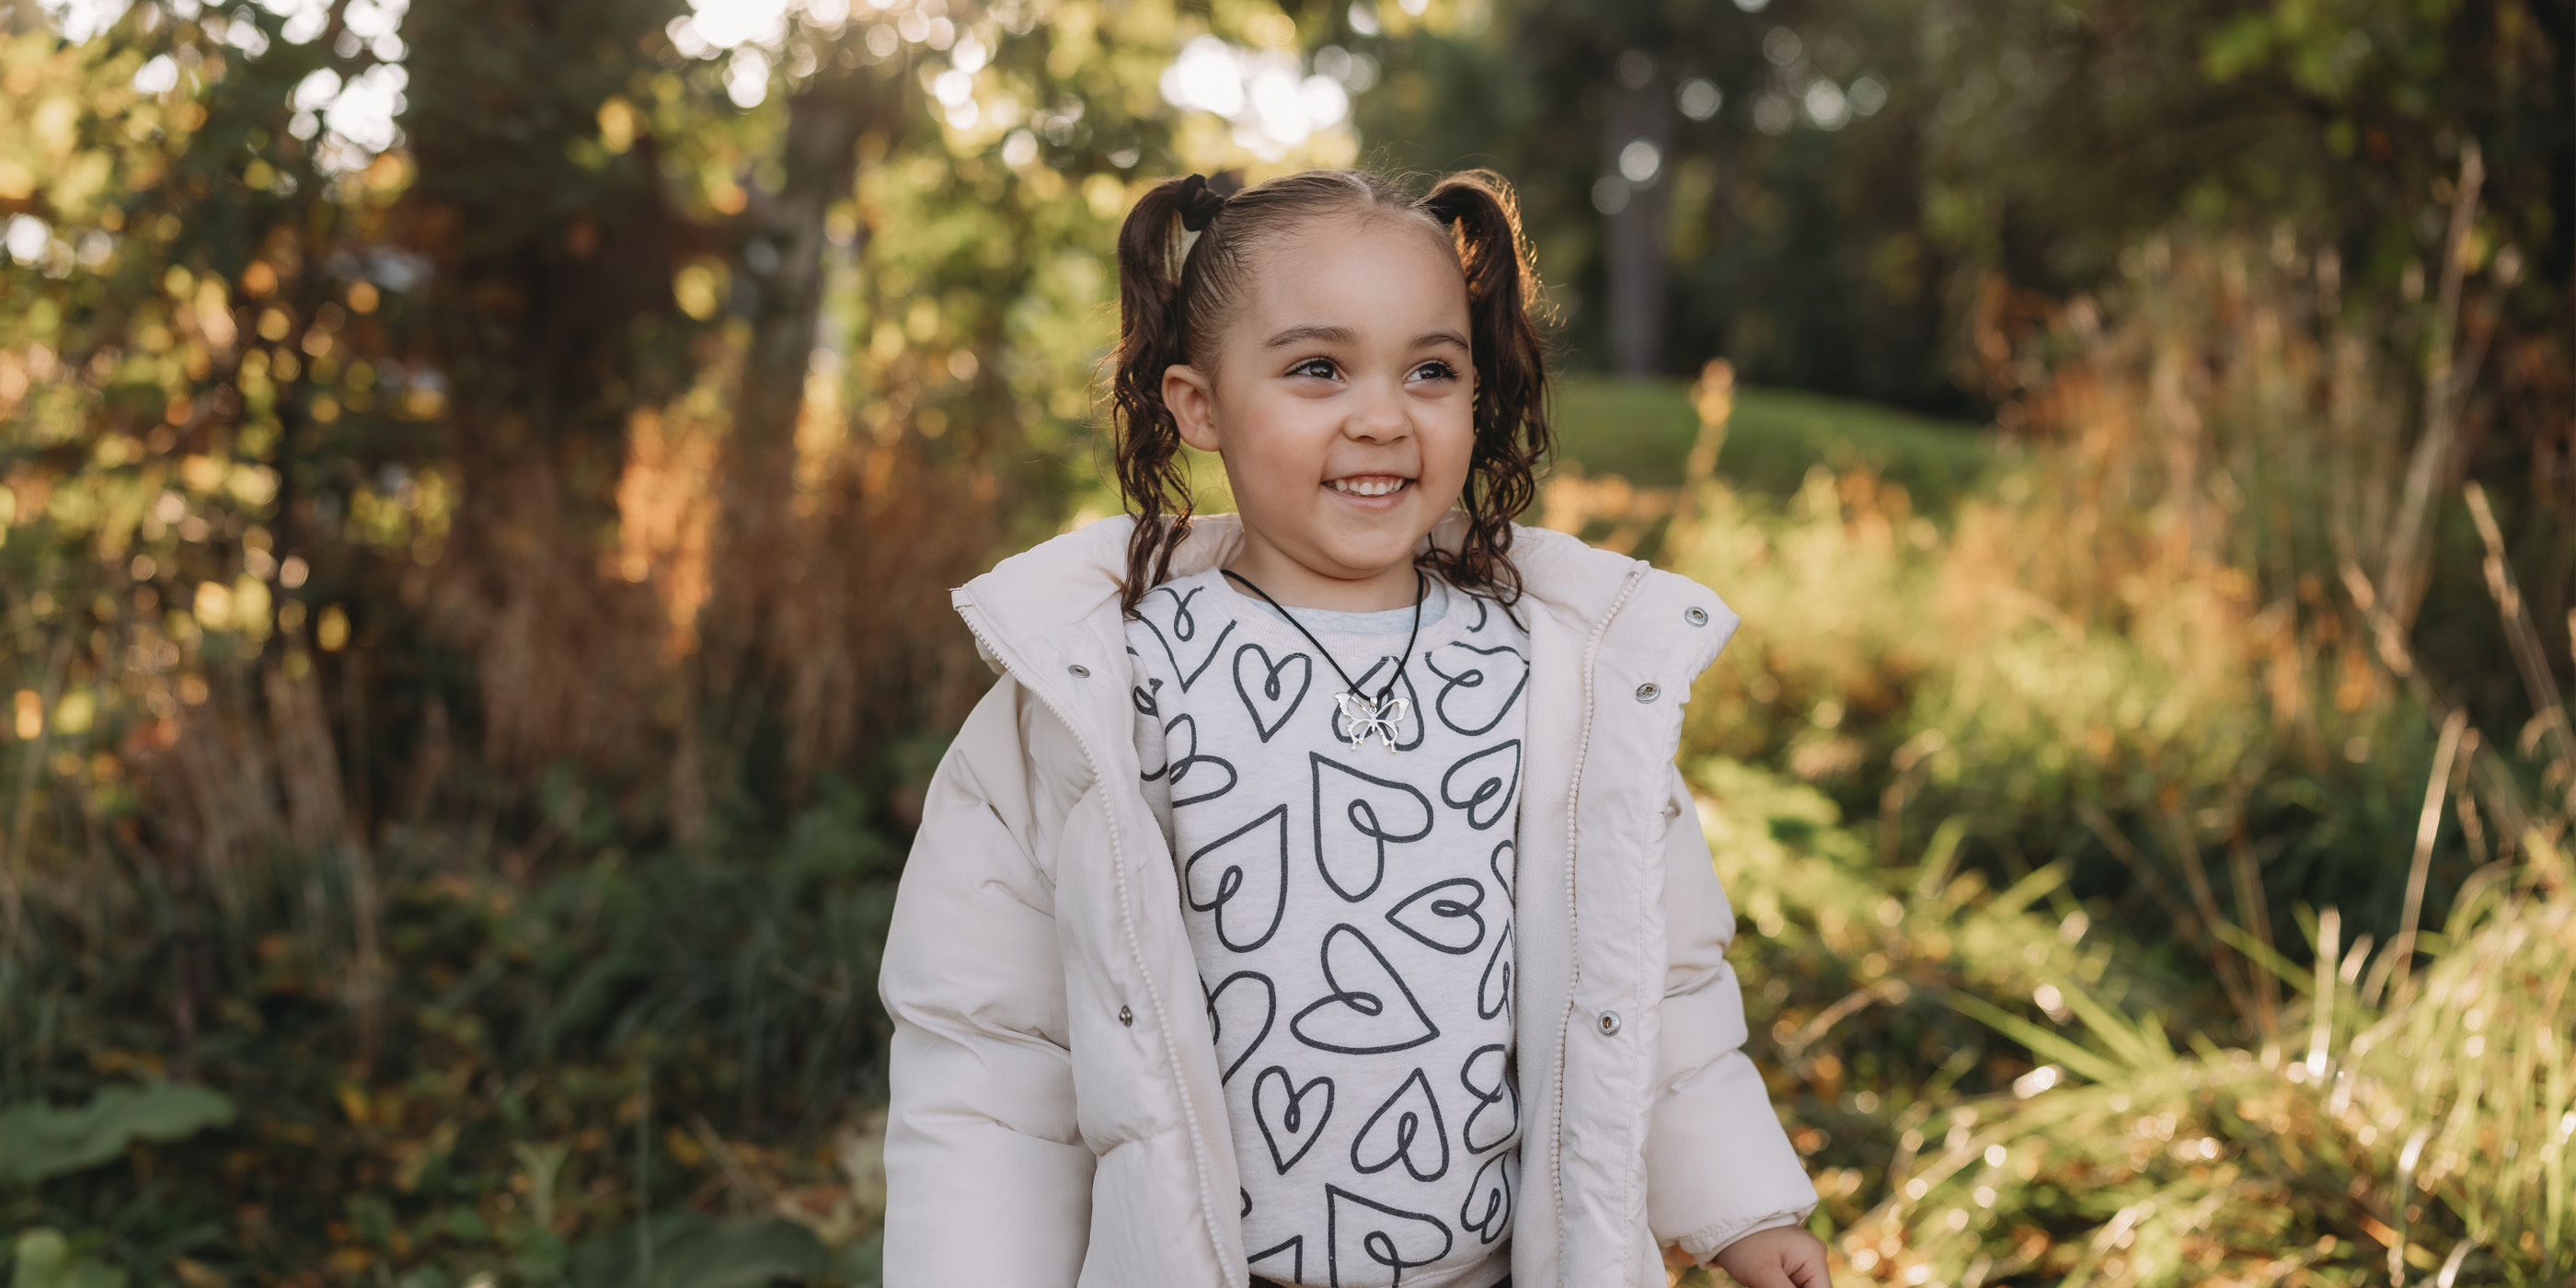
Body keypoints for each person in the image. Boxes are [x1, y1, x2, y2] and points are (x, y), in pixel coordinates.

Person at [879, 167, 1829, 1288]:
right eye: (1318, 368)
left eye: (1431, 369)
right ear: (1198, 404)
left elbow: (1650, 985)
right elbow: (992, 1052)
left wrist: (1742, 1207)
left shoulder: (1561, 682)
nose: (1382, 416)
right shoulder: (1101, 689)